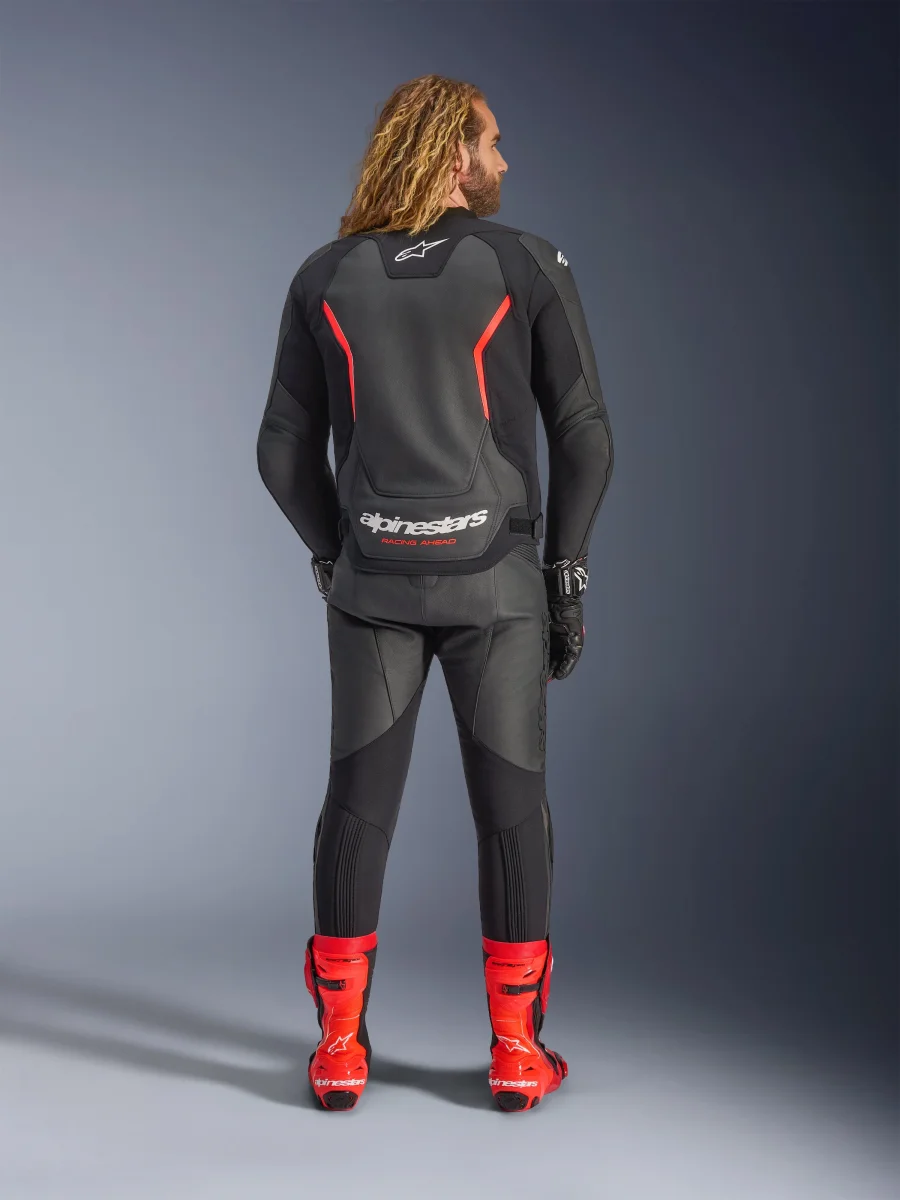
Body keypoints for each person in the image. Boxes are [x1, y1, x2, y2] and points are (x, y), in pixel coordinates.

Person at [257, 74, 614, 1113]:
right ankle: (516, 1052)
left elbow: (279, 451)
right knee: (512, 811)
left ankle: (338, 1049)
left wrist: (335, 554)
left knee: (356, 807)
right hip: (495, 584)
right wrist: (566, 576)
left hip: (371, 583)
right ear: (455, 152)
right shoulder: (524, 261)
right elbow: (585, 435)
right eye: (493, 142)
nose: (504, 160)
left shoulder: (323, 275)